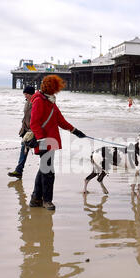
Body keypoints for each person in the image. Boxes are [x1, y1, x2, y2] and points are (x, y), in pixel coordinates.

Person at [29, 75, 86, 210]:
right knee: (48, 172)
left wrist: (75, 131)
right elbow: (34, 123)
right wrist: (42, 141)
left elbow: (61, 121)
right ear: (51, 88)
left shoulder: (50, 101)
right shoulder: (39, 101)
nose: (57, 91)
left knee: (44, 170)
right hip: (44, 141)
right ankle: (47, 201)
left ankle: (36, 199)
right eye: (56, 88)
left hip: (51, 142)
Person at [8, 86, 35, 179]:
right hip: (26, 131)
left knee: (41, 153)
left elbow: (38, 119)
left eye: (27, 94)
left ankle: (44, 172)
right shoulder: (27, 102)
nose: (25, 96)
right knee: (24, 149)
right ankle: (19, 170)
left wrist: (33, 131)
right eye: (24, 94)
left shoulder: (36, 103)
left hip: (34, 132)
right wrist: (22, 128)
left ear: (32, 94)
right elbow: (25, 117)